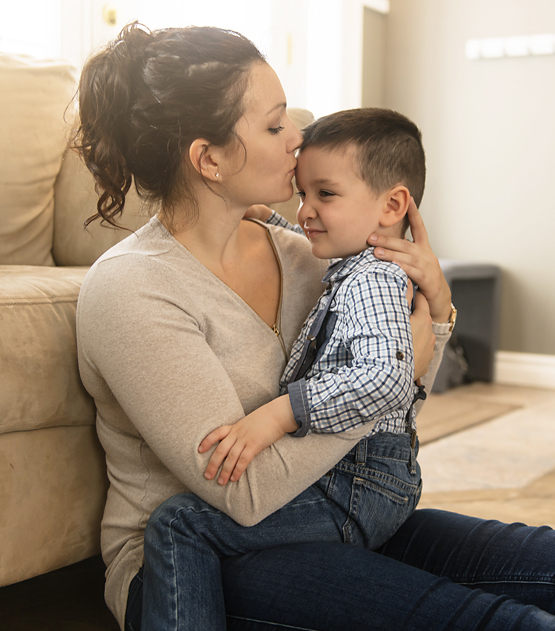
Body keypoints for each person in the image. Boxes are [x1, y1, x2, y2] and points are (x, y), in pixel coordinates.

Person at [75, 22, 555, 631]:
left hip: (335, 511)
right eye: (275, 125)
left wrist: (436, 309)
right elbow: (241, 493)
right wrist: (397, 369)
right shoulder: (133, 289)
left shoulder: (309, 254)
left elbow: (398, 392)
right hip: (205, 560)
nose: (298, 136)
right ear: (209, 159)